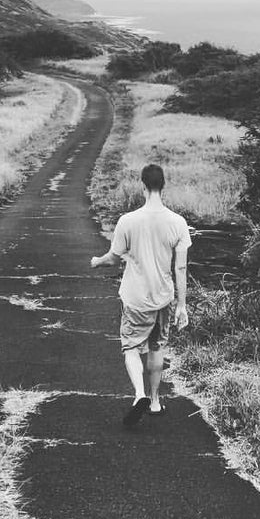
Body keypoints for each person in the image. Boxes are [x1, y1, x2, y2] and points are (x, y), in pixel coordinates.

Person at [90, 163, 190, 427]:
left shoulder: (128, 221)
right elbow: (180, 267)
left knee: (131, 347)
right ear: (163, 186)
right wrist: (182, 305)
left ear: (143, 187)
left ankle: (139, 395)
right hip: (163, 297)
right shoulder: (178, 223)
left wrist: (97, 261)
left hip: (135, 298)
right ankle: (155, 402)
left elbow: (113, 258)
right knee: (157, 347)